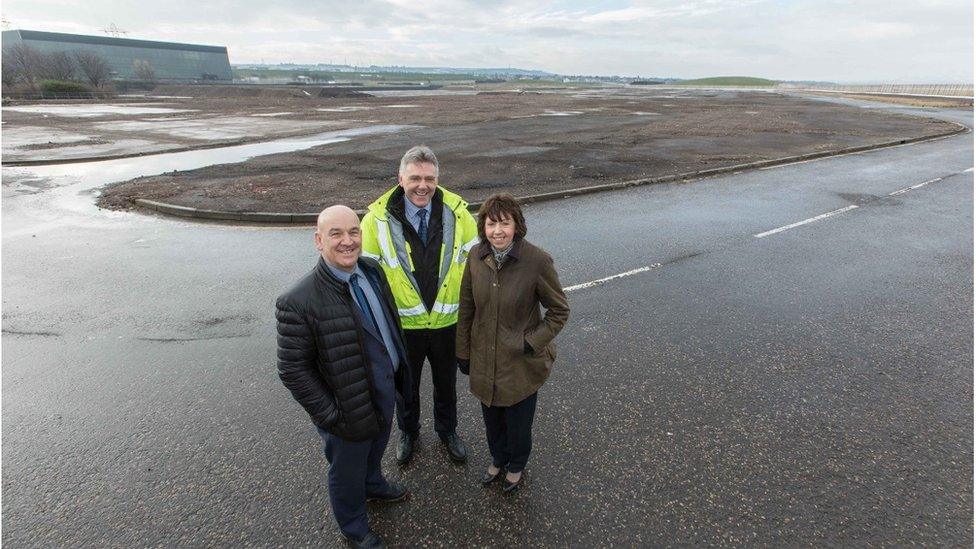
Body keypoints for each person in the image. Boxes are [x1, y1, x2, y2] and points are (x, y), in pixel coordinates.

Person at [276, 205, 413, 549]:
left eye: (353, 232)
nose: (347, 241)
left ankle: (373, 483)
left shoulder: (372, 272)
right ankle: (353, 527)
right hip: (345, 408)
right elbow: (293, 369)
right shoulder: (298, 300)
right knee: (345, 469)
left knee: (376, 448)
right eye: (336, 234)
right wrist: (330, 415)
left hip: (383, 390)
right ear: (318, 240)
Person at [361, 145, 479, 465]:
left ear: (437, 179)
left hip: (446, 323)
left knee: (446, 384)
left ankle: (447, 431)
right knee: (405, 388)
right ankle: (409, 432)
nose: (422, 185)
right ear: (400, 179)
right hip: (403, 326)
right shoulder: (376, 221)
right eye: (415, 178)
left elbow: (477, 266)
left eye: (429, 178)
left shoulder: (458, 214)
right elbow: (365, 277)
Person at [456, 194, 570, 493]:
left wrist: (531, 343)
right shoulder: (476, 257)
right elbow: (466, 306)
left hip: (520, 362)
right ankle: (498, 458)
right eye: (491, 224)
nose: (498, 231)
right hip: (484, 357)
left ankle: (516, 464)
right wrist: (463, 351)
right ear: (483, 227)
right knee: (491, 418)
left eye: (504, 223)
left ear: (516, 225)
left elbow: (559, 311)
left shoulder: (537, 261)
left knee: (518, 425)